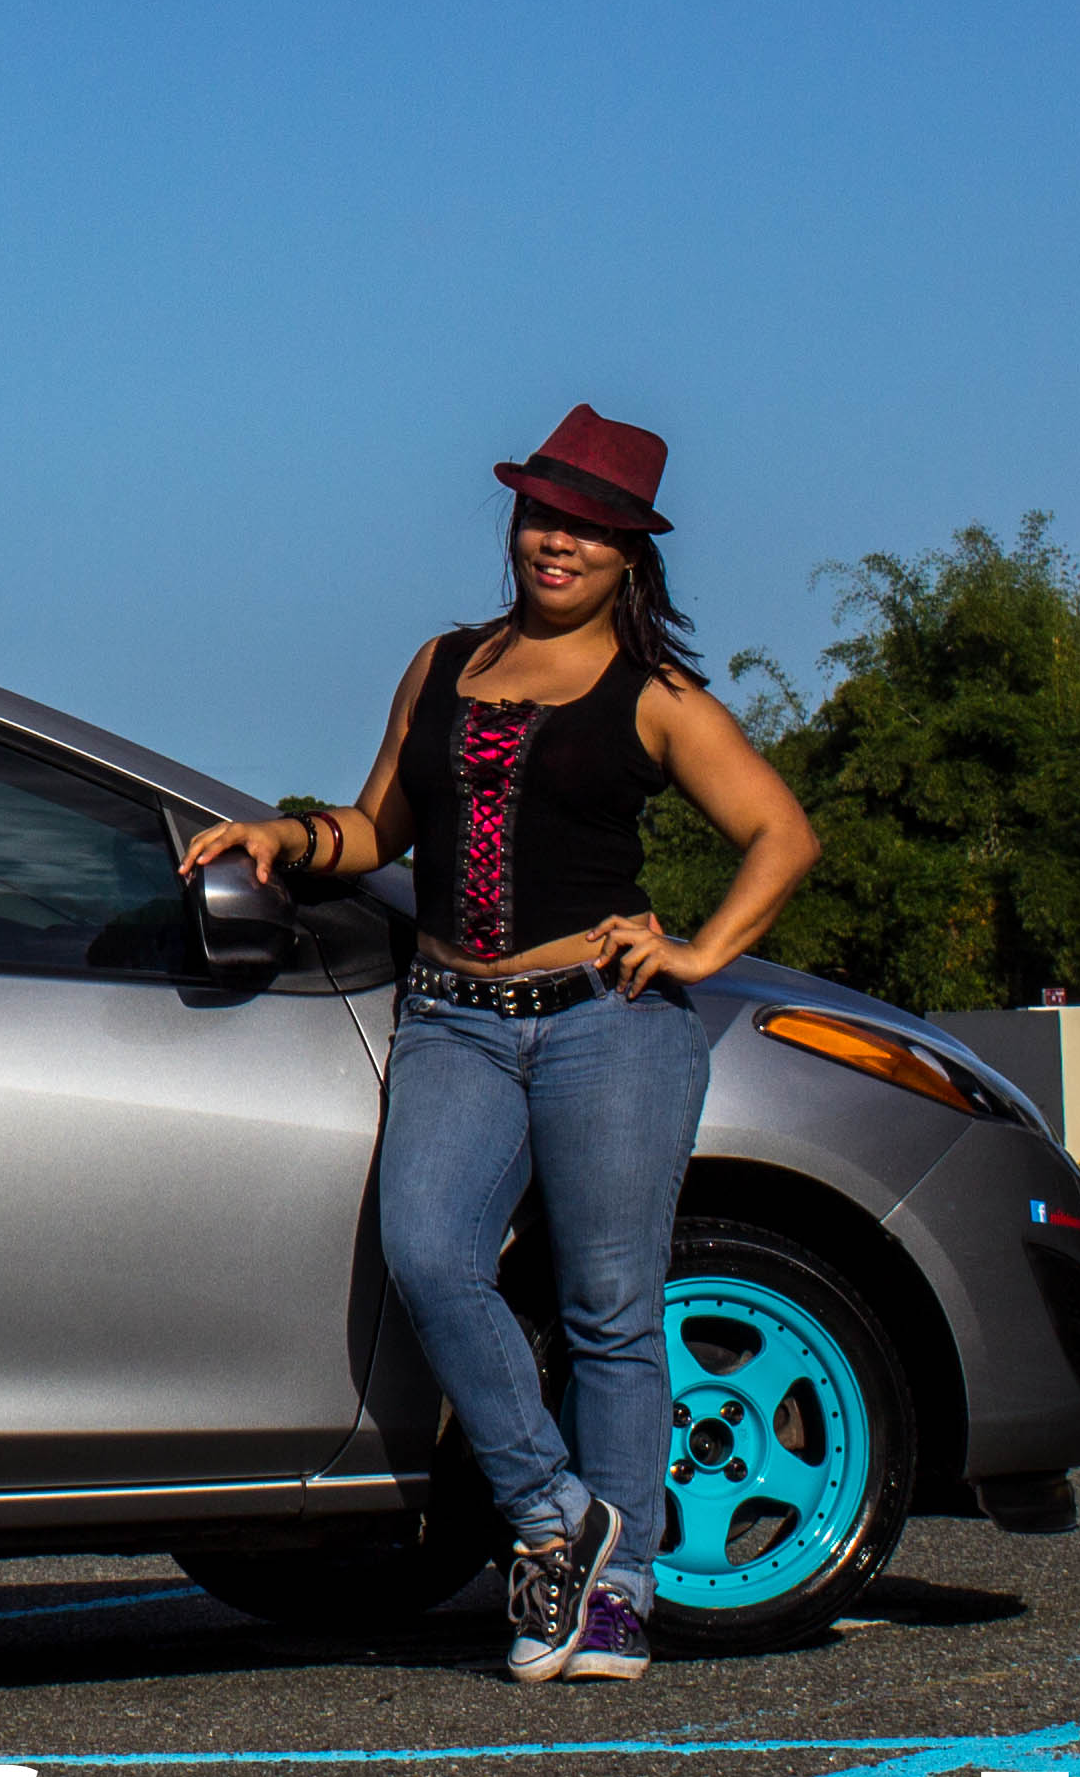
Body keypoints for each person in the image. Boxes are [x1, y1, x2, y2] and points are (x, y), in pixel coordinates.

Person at [182, 403, 820, 1687]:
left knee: (608, 1309)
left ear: (630, 554)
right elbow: (377, 828)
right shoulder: (445, 660)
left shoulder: (658, 696)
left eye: (587, 526)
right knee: (430, 1253)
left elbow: (783, 834)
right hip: (454, 1021)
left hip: (608, 1023)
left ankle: (620, 1590)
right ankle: (551, 1516)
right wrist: (285, 839)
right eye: (542, 515)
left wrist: (696, 952)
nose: (556, 541)